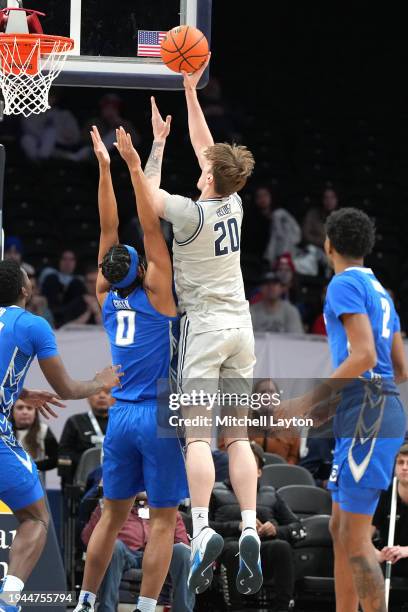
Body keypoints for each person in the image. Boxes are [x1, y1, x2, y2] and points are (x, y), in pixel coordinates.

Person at [129, 57, 263, 598]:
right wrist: (189, 91)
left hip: (205, 328)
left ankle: (204, 525)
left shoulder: (190, 212)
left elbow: (148, 197)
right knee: (239, 437)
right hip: (243, 327)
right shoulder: (233, 202)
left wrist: (156, 146)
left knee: (197, 435)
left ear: (209, 176)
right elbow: (207, 144)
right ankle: (250, 525)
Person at [73, 116, 188, 612]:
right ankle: (144, 608)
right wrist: (133, 164)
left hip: (118, 416)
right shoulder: (158, 293)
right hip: (157, 412)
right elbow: (144, 222)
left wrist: (104, 168)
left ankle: (83, 601)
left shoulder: (105, 293)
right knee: (164, 520)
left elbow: (107, 226)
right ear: (141, 269)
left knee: (111, 515)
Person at [282, 208, 408, 612]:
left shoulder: (342, 284)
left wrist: (308, 400)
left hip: (368, 414)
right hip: (370, 409)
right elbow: (400, 368)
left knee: (355, 542)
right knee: (340, 530)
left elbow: (365, 355)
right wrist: (337, 402)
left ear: (328, 244)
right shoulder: (382, 293)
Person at [0, 259, 121, 612]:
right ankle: (8, 600)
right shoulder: (33, 324)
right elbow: (67, 389)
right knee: (35, 517)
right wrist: (102, 381)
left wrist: (20, 393)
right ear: (26, 289)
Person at [210, 441, 301, 611]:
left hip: (263, 548)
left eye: (249, 464)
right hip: (228, 548)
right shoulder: (215, 492)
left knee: (281, 547)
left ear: (259, 471)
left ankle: (281, 609)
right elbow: (200, 527)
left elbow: (298, 527)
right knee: (233, 549)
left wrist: (276, 530)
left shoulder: (271, 494)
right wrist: (237, 526)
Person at [81, 492, 195, 612]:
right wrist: (102, 509)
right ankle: (106, 609)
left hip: (160, 556)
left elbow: (182, 543)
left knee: (183, 552)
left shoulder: (168, 511)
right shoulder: (114, 507)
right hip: (126, 554)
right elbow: (87, 539)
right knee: (112, 547)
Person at [58, 389, 114, 485]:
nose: (102, 396)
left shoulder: (123, 423)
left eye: (107, 392)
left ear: (115, 398)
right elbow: (64, 454)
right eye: (97, 392)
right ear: (88, 398)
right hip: (83, 483)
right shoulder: (75, 422)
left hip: (115, 479)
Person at [372, 443, 408, 575]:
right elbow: (362, 536)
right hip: (388, 559)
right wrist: (376, 554)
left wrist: (406, 550)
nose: (404, 467)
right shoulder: (383, 494)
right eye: (400, 462)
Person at [249, 379, 300, 464]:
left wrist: (286, 469)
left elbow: (294, 457)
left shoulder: (290, 427)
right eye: (262, 392)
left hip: (281, 475)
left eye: (272, 392)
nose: (267, 396)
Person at [11, 398, 58, 473]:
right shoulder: (4, 430)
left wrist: (32, 466)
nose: (25, 412)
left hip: (35, 480)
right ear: (12, 411)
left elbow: (56, 459)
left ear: (35, 413)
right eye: (20, 408)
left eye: (29, 408)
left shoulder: (43, 430)